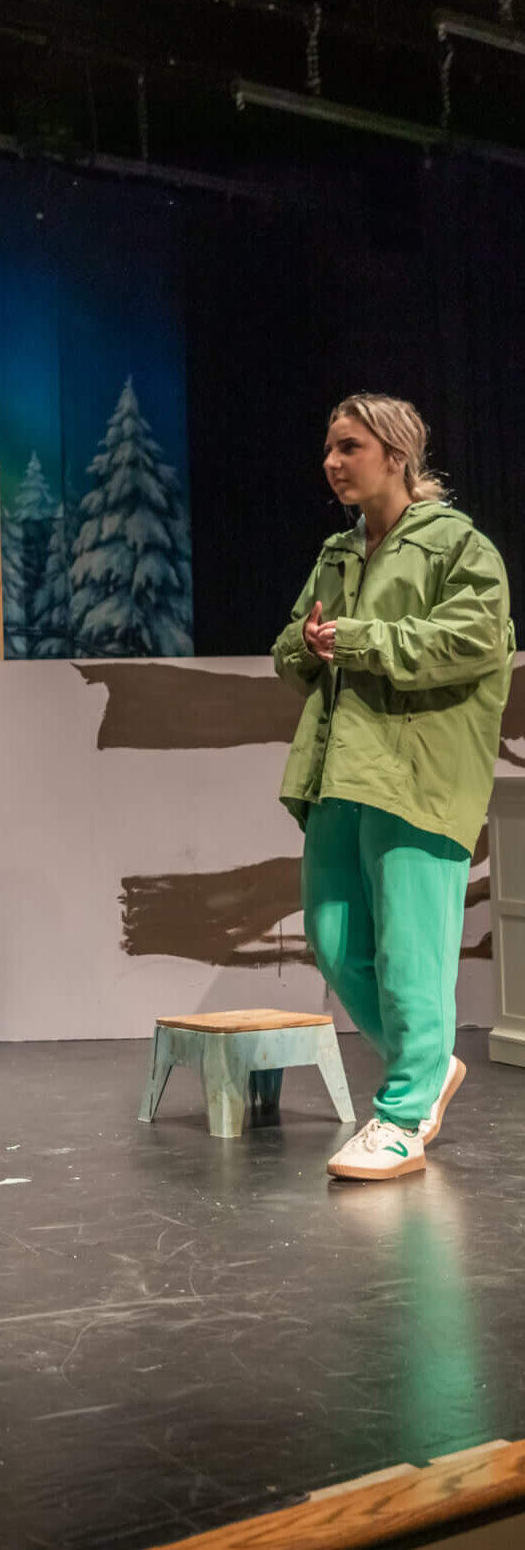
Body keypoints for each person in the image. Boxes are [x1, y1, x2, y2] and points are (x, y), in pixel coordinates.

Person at [274, 394, 513, 1181]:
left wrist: (356, 639)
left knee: (411, 956)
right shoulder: (338, 553)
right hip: (340, 771)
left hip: (417, 774)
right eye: (329, 448)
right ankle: (431, 1065)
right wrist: (308, 645)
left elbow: (475, 642)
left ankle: (405, 1116)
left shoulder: (457, 546)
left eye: (349, 446)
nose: (332, 462)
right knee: (336, 942)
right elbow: (291, 648)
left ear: (397, 453)